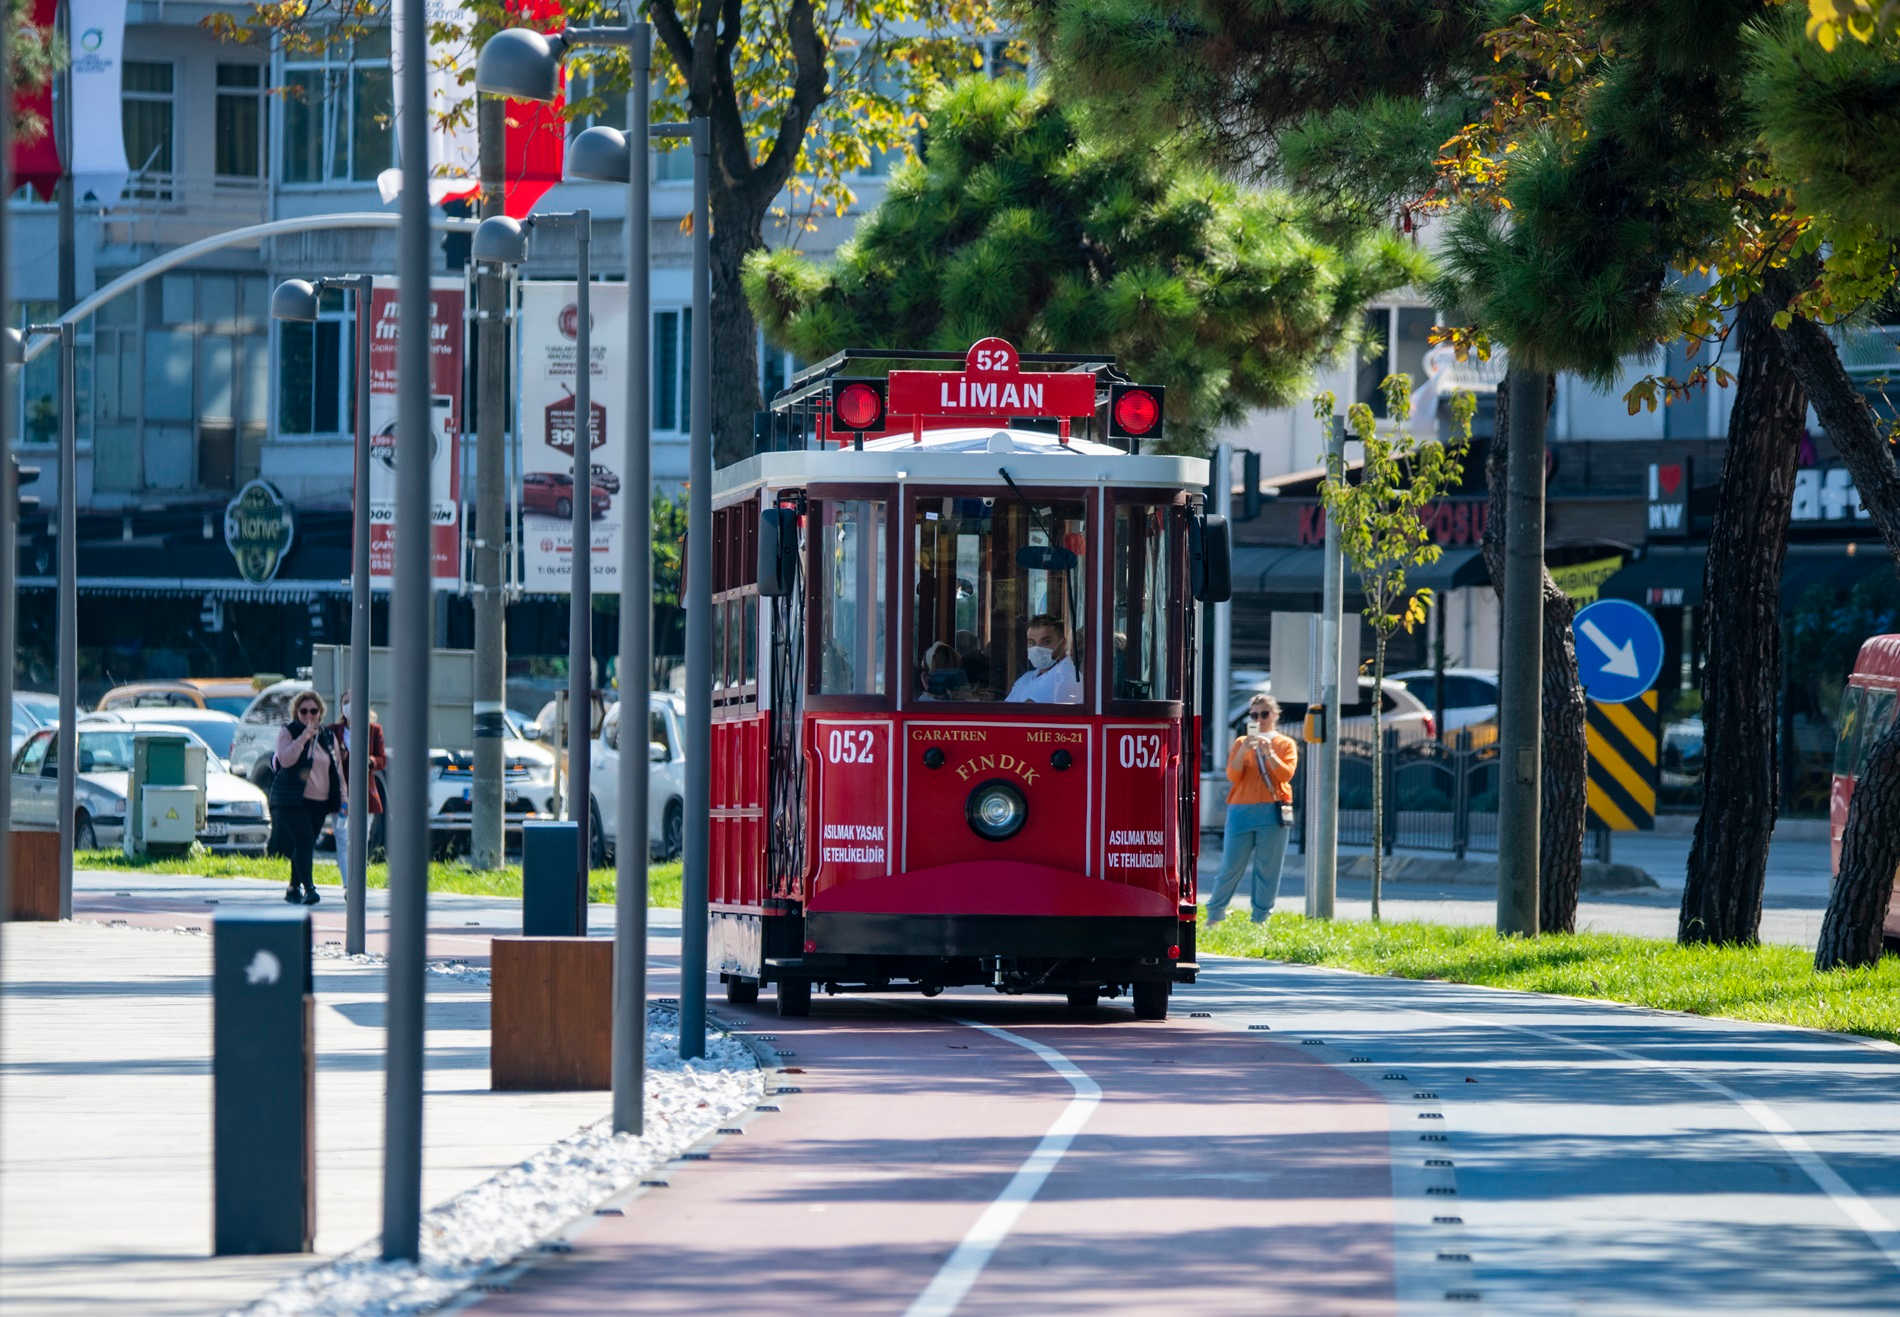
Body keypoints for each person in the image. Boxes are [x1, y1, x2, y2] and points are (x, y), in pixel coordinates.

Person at [1206, 693, 1299, 925]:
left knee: (1268, 869)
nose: (1259, 719)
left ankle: (1260, 919)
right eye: (1254, 715)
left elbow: (1285, 774)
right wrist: (1244, 748)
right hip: (1241, 811)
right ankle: (1215, 915)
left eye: (1264, 714)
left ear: (1275, 715)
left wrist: (1269, 753)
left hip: (1272, 811)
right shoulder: (1241, 743)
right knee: (1230, 866)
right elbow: (1233, 775)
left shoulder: (1285, 744)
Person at [269, 691, 345, 906]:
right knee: (303, 841)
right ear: (296, 713)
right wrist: (304, 737)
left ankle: (293, 887)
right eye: (304, 711)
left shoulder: (328, 736)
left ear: (321, 713)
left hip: (320, 801)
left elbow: (337, 768)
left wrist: (344, 797)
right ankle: (309, 889)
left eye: (314, 711)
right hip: (294, 799)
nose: (309, 715)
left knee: (306, 843)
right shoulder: (289, 732)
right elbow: (285, 760)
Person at [326, 692, 386, 897]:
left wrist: (370, 760)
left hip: (365, 793)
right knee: (343, 838)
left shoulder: (374, 730)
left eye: (354, 701)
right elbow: (326, 757)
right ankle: (348, 885)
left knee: (361, 838)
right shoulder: (333, 731)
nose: (349, 706)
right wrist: (340, 756)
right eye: (346, 702)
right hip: (341, 793)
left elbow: (382, 759)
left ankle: (358, 881)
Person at [1005, 614, 1083, 704]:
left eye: (1046, 642)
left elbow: (1026, 712)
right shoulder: (1028, 677)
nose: (1037, 648)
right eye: (1031, 642)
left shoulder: (1065, 677)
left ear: (1063, 644)